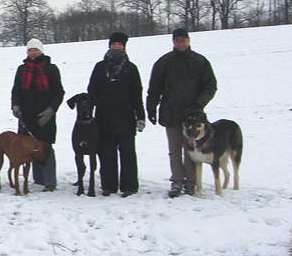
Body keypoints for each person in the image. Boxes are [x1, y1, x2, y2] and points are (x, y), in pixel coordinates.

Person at [146, 28, 217, 198]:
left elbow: (210, 86)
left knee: (190, 150)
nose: (181, 43)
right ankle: (177, 181)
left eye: (183, 40)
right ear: (173, 42)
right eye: (177, 41)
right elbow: (154, 88)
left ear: (189, 40)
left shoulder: (200, 61)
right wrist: (151, 107)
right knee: (174, 150)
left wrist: (198, 104)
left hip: (193, 116)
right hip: (171, 113)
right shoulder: (164, 62)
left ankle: (191, 183)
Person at [88, 32, 145, 198]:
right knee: (106, 153)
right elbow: (92, 91)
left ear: (124, 46)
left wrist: (140, 116)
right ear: (109, 46)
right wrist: (90, 115)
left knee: (127, 153)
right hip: (104, 117)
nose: (116, 47)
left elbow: (137, 94)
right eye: (114, 44)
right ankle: (108, 185)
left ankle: (129, 186)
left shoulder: (131, 68)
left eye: (120, 44)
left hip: (126, 117)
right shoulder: (100, 67)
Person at [11, 38, 64, 192]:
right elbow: (16, 90)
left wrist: (51, 110)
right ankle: (37, 178)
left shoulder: (51, 68)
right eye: (30, 50)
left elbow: (59, 92)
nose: (33, 52)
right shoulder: (22, 69)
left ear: (41, 51)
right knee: (28, 145)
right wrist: (15, 105)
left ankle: (50, 181)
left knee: (46, 146)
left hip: (45, 114)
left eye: (35, 50)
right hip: (26, 114)